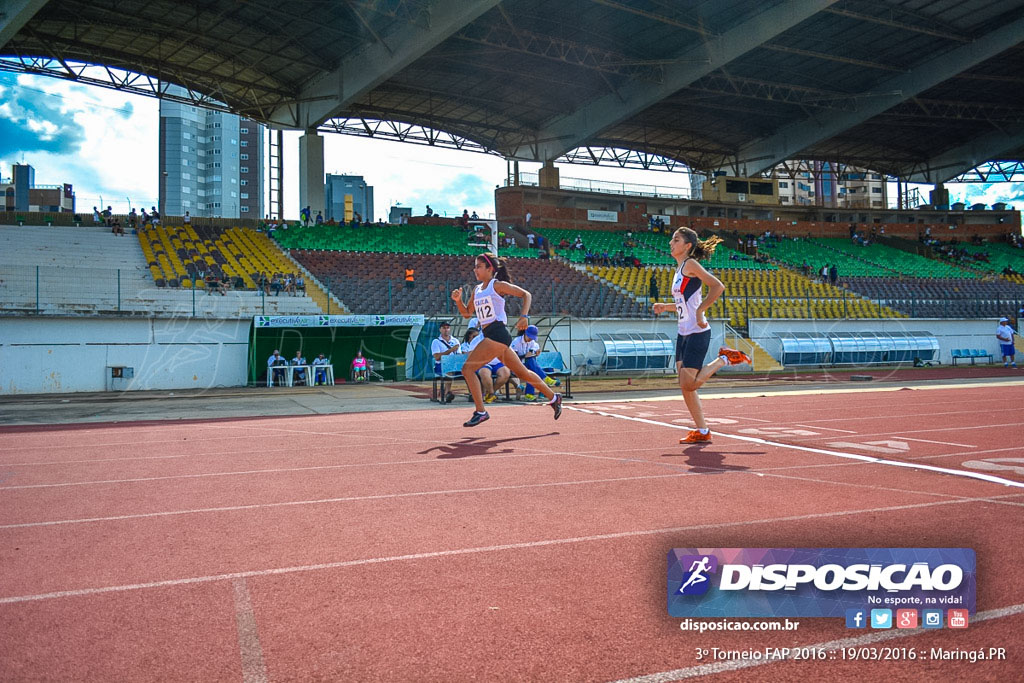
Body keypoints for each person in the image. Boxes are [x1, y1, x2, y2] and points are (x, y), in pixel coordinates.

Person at [652, 228, 751, 444]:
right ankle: (702, 431)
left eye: (676, 240)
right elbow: (684, 303)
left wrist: (700, 311)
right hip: (683, 333)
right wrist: (666, 307)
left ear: (687, 246)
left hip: (697, 331)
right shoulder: (679, 268)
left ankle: (724, 358)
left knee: (690, 385)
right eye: (671, 239)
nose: (671, 242)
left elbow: (718, 287)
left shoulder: (690, 265)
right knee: (684, 385)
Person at [450, 252, 561, 426]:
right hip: (492, 336)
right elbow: (466, 314)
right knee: (523, 373)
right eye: (474, 266)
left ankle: (481, 411)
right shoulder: (476, 290)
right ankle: (554, 398)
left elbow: (526, 295)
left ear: (490, 269)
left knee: (467, 369)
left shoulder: (497, 285)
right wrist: (458, 300)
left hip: (498, 333)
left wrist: (524, 316)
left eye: (479, 266)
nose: (475, 270)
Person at [511, 325, 558, 401]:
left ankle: (529, 394)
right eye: (529, 337)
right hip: (517, 366)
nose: (530, 339)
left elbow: (535, 348)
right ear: (525, 334)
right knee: (530, 362)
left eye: (532, 338)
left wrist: (535, 352)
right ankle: (545, 378)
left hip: (527, 365)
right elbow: (513, 357)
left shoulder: (532, 342)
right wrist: (524, 356)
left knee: (531, 369)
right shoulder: (516, 342)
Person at [431, 322, 461, 403]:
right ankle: (447, 393)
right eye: (444, 328)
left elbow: (459, 354)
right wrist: (450, 350)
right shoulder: (436, 342)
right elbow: (437, 357)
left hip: (454, 364)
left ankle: (473, 394)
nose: (446, 330)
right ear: (440, 329)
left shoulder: (455, 341)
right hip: (440, 365)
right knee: (449, 369)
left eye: (447, 328)